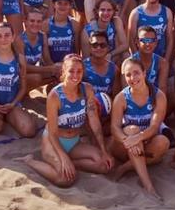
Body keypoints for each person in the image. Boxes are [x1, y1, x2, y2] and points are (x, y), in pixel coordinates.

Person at [23, 54, 116, 187]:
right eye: (71, 71)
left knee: (104, 165)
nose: (75, 75)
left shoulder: (87, 89)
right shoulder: (55, 96)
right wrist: (63, 156)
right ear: (63, 71)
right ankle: (30, 161)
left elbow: (94, 121)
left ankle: (71, 164)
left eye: (79, 71)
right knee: (64, 179)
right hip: (54, 142)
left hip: (73, 142)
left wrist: (103, 150)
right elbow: (53, 133)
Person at [108, 56, 174, 198]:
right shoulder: (121, 98)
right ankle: (148, 186)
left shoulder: (158, 96)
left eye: (136, 73)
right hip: (123, 145)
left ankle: (125, 167)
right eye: (128, 75)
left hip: (143, 142)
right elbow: (114, 128)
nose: (133, 78)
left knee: (163, 142)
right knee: (132, 129)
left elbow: (154, 127)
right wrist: (128, 140)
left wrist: (138, 138)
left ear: (144, 73)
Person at [0, 22, 37, 137]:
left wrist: (13, 104)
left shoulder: (20, 59)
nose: (3, 39)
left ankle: (11, 117)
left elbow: (23, 87)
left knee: (29, 131)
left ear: (13, 37)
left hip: (11, 105)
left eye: (7, 35)